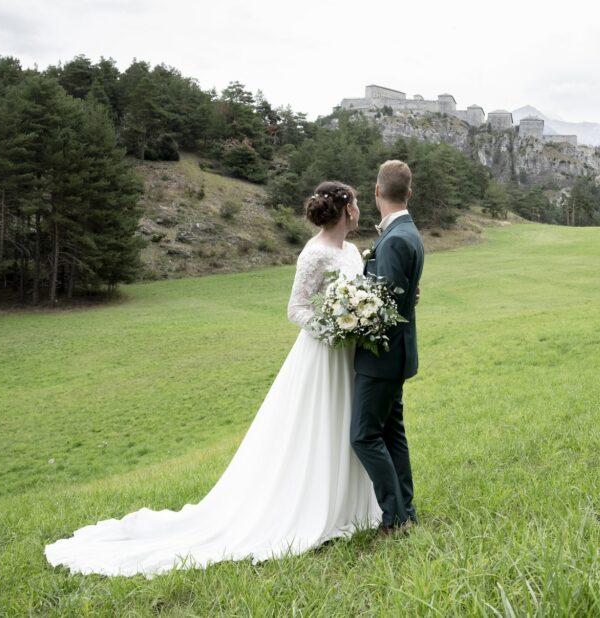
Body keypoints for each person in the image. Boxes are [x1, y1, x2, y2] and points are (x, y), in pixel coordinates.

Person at [45, 181, 381, 577]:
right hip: (323, 354)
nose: (359, 208)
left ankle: (350, 505)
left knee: (346, 425)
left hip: (351, 355)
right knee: (319, 427)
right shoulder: (315, 253)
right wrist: (334, 331)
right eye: (356, 202)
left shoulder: (351, 251)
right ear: (346, 209)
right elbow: (296, 309)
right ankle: (313, 508)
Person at [351, 160, 425, 537]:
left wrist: (347, 312)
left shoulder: (395, 238)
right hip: (396, 355)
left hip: (382, 357)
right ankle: (406, 510)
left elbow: (385, 307)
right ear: (407, 192)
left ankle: (394, 517)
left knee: (363, 435)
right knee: (392, 433)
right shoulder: (409, 232)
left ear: (377, 191)